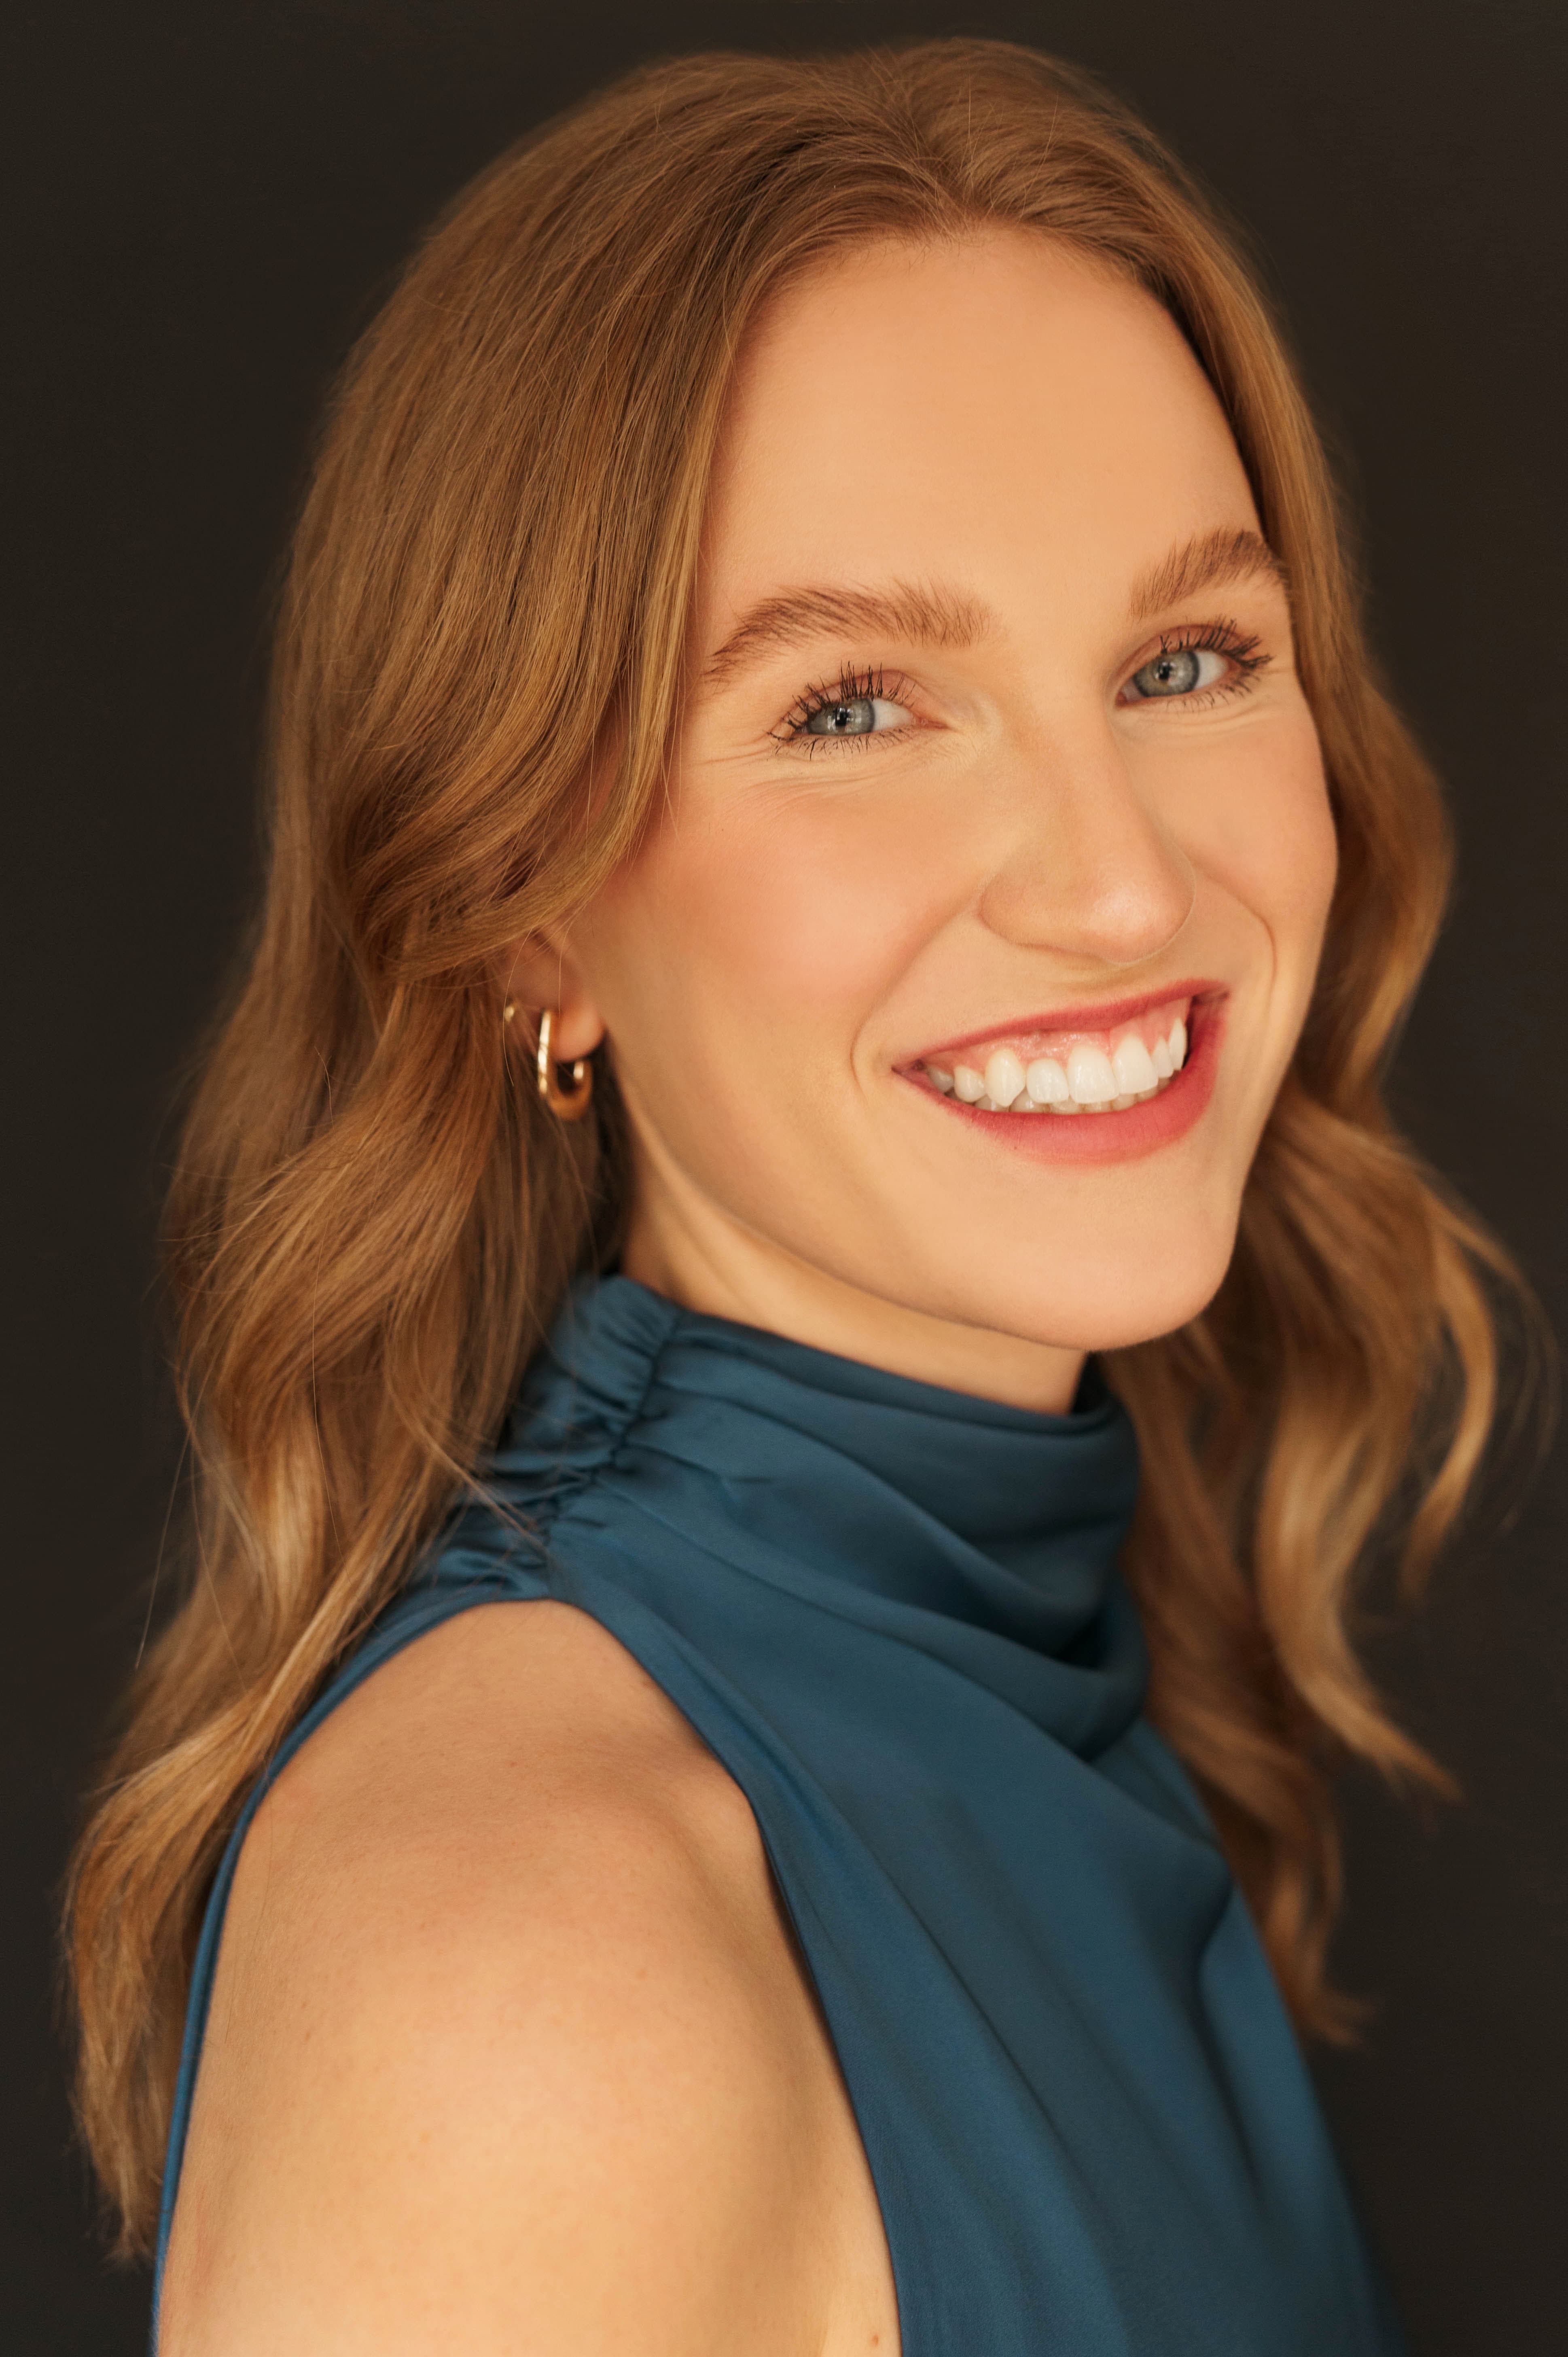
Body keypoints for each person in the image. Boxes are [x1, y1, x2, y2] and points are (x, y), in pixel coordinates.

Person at [68, 39, 1522, 2354]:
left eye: (1185, 660)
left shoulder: (1036, 1659)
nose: (1120, 883)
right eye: (855, 707)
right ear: (526, 919)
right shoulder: (517, 1954)